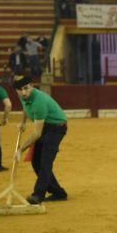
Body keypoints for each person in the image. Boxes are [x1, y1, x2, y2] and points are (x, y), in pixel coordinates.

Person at [13, 76, 68, 204]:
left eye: (26, 88)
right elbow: (25, 107)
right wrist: (23, 123)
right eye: (20, 90)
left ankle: (38, 195)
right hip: (45, 126)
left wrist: (21, 149)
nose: (24, 93)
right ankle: (58, 193)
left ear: (32, 86)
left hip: (56, 127)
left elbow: (37, 133)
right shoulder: (23, 97)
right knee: (36, 161)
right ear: (17, 91)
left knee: (45, 162)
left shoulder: (39, 102)